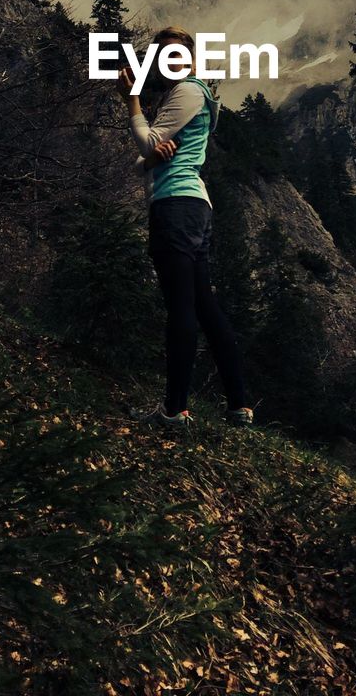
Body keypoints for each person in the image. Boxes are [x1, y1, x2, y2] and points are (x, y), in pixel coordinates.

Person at [119, 26, 254, 431]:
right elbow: (146, 160)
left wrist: (132, 100)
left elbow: (147, 145)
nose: (171, 61)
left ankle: (174, 411)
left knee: (181, 307)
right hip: (194, 204)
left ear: (192, 59)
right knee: (205, 307)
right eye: (164, 56)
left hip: (175, 206)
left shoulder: (187, 92)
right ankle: (239, 405)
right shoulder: (198, 96)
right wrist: (151, 156)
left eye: (177, 54)